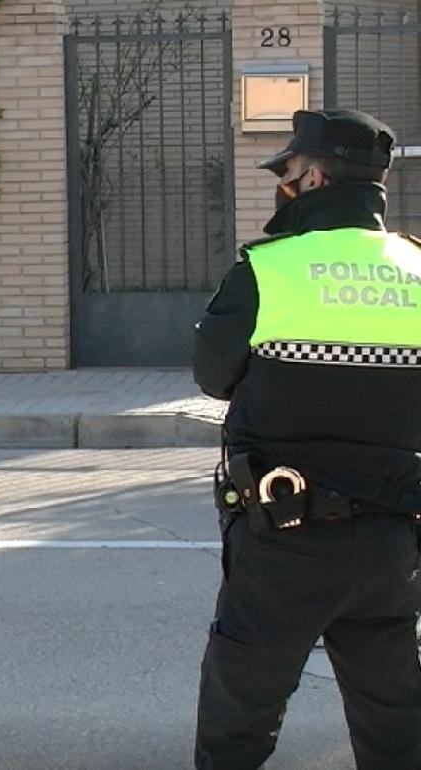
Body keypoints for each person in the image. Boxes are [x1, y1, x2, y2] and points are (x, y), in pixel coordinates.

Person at [193, 108, 421, 769]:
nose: (283, 183)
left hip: (282, 541)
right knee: (397, 728)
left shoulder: (269, 270)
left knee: (240, 720)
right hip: (391, 546)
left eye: (287, 172)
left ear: (314, 177)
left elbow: (212, 376)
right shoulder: (415, 269)